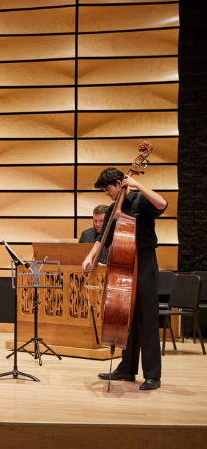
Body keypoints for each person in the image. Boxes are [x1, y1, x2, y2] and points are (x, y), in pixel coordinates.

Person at [82, 167, 167, 391]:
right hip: (123, 265)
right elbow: (103, 238)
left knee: (147, 320)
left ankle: (153, 376)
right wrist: (90, 257)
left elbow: (162, 204)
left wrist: (138, 184)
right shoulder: (112, 210)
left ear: (120, 183)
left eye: (107, 189)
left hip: (145, 263)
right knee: (126, 319)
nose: (107, 193)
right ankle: (127, 369)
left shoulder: (141, 201)